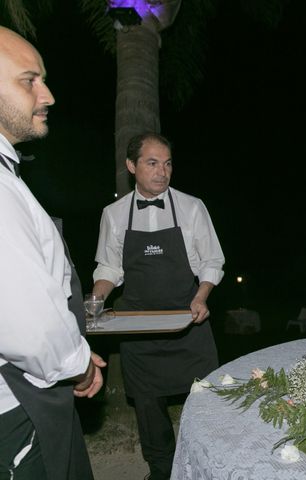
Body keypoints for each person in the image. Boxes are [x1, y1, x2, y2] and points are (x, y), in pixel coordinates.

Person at [0, 26, 104, 480]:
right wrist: (78, 364)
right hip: (19, 403)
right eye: (29, 80)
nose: (48, 95)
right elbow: (26, 321)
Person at [92, 132, 224, 480]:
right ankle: (162, 470)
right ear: (131, 166)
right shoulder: (114, 214)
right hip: (137, 327)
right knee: (149, 409)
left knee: (206, 399)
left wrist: (201, 297)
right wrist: (96, 299)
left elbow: (212, 261)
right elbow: (109, 267)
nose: (162, 172)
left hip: (188, 320)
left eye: (167, 164)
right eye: (152, 163)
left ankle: (207, 464)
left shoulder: (192, 207)